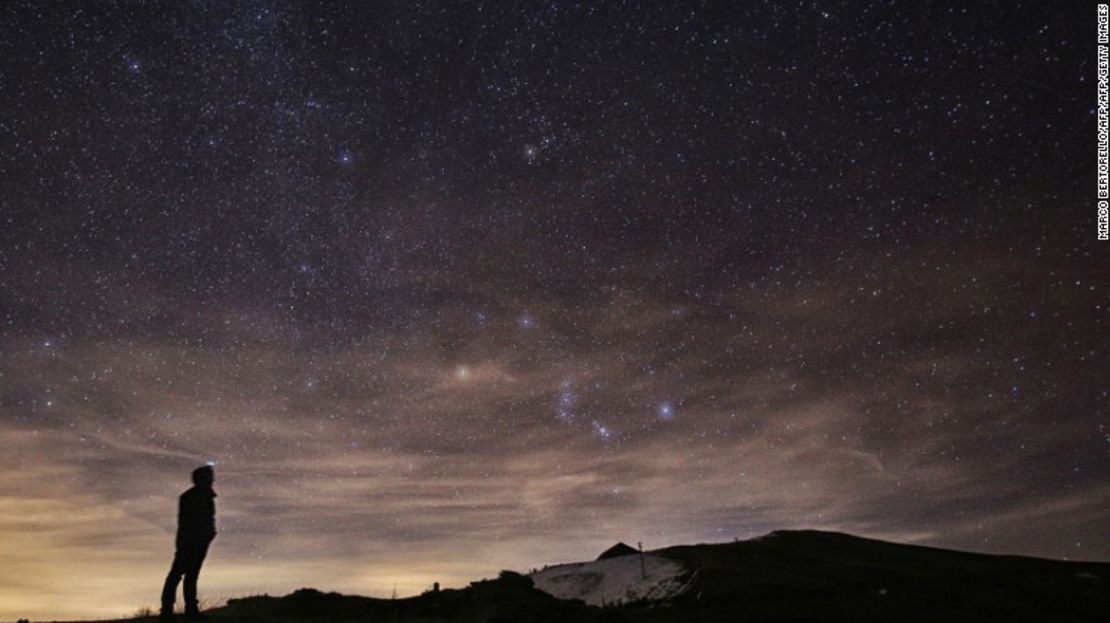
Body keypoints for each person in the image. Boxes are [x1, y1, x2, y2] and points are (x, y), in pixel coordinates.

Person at [160, 465, 217, 621]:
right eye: (208, 476)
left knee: (190, 576)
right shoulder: (190, 497)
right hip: (189, 542)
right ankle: (167, 612)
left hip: (200, 542)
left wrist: (210, 534)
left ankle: (190, 611)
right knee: (177, 575)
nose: (212, 479)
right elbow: (187, 522)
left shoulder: (206, 496)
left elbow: (208, 520)